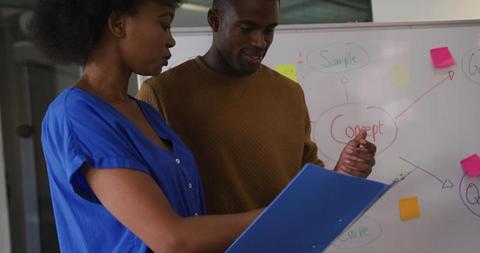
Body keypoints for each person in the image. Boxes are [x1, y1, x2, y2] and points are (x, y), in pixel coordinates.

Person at [32, 0, 261, 252]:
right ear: (118, 25)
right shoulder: (76, 115)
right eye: (163, 24)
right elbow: (170, 238)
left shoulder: (145, 113)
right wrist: (274, 215)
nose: (170, 40)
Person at [137, 0, 377, 215]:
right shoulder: (161, 95)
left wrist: (342, 173)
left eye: (269, 30)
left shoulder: (290, 93)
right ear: (215, 20)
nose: (260, 42)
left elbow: (307, 180)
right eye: (247, 28)